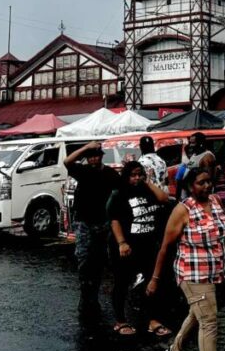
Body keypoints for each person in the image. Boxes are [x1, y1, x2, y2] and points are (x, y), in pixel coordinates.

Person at [148, 166, 225, 351]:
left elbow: (221, 235)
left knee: (197, 315)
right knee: (209, 321)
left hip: (214, 271)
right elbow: (165, 247)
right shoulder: (182, 210)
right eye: (200, 183)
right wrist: (155, 279)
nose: (206, 186)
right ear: (189, 186)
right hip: (192, 274)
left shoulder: (216, 201)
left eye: (208, 182)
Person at [107, 160, 172, 337]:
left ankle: (152, 319)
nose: (136, 178)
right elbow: (115, 220)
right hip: (126, 246)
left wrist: (148, 181)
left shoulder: (148, 190)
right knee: (122, 282)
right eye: (133, 175)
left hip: (148, 245)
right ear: (126, 177)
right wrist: (122, 243)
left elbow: (164, 199)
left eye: (139, 174)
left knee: (152, 281)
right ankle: (121, 321)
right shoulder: (120, 194)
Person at [65, 141, 121, 313]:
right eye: (90, 157)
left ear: (101, 157)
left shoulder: (110, 173)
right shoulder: (82, 171)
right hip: (84, 222)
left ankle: (94, 296)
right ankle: (85, 295)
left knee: (99, 260)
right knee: (83, 259)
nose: (94, 159)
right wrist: (85, 148)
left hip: (103, 223)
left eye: (96, 155)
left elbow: (120, 193)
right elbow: (67, 162)